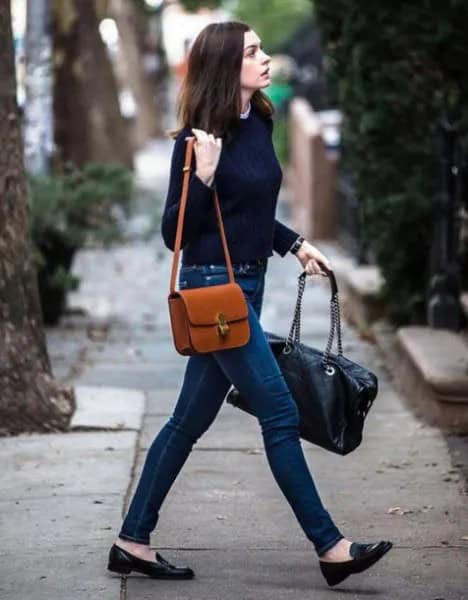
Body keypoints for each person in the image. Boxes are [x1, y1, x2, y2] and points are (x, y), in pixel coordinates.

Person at [107, 21, 392, 588]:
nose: (265, 59)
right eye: (253, 52)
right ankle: (331, 547)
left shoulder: (260, 120)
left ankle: (131, 539)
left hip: (249, 285)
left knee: (188, 420)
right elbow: (175, 233)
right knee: (281, 414)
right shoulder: (196, 143)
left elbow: (255, 210)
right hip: (213, 289)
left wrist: (294, 243)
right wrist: (205, 179)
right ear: (224, 66)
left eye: (262, 49)